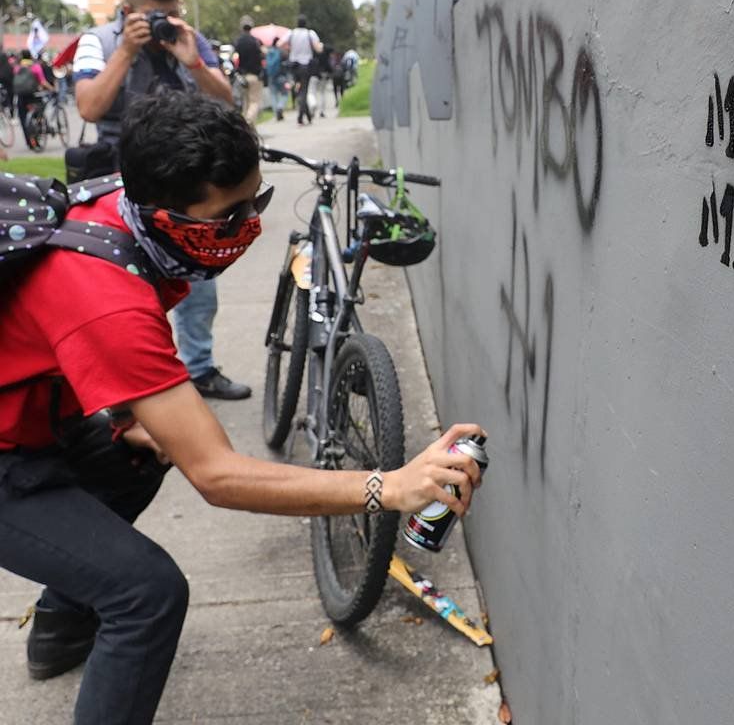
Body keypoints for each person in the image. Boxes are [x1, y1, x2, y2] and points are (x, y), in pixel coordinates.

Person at [0, 90, 484, 725]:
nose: (248, 230)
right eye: (227, 219)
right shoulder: (105, 296)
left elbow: (53, 336)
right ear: (164, 209)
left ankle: (62, 624)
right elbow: (219, 477)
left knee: (137, 455)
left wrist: (125, 418)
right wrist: (388, 487)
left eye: (256, 202)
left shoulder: (124, 206)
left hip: (32, 417)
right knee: (147, 595)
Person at [73, 0, 250, 401]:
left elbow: (228, 105)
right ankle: (126, 392)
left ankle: (200, 368)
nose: (161, 25)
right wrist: (126, 52)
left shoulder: (189, 40)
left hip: (185, 192)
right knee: (122, 295)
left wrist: (193, 64)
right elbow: (90, 107)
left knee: (198, 288)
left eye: (168, 14)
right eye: (153, 16)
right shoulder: (98, 41)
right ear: (128, 9)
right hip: (118, 187)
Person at [284, 14, 322, 126]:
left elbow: (279, 44)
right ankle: (301, 115)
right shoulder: (310, 34)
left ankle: (308, 116)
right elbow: (318, 49)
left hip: (294, 65)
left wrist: (290, 49)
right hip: (305, 65)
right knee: (304, 90)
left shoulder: (291, 33)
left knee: (299, 89)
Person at [14, 49, 55, 148]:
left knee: (23, 119)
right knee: (39, 115)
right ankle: (38, 134)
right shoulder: (35, 66)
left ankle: (29, 142)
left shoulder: (17, 68)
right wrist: (52, 89)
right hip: (34, 96)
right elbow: (42, 81)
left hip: (21, 96)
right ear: (31, 56)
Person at [233, 15, 264, 123]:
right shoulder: (256, 42)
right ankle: (248, 121)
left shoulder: (238, 42)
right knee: (254, 102)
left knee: (246, 102)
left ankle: (247, 127)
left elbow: (235, 59)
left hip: (242, 76)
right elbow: (261, 57)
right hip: (255, 75)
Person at [265, 36, 287, 120]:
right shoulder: (281, 52)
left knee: (273, 95)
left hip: (271, 76)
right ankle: (280, 107)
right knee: (284, 93)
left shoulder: (269, 52)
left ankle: (275, 113)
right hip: (281, 76)